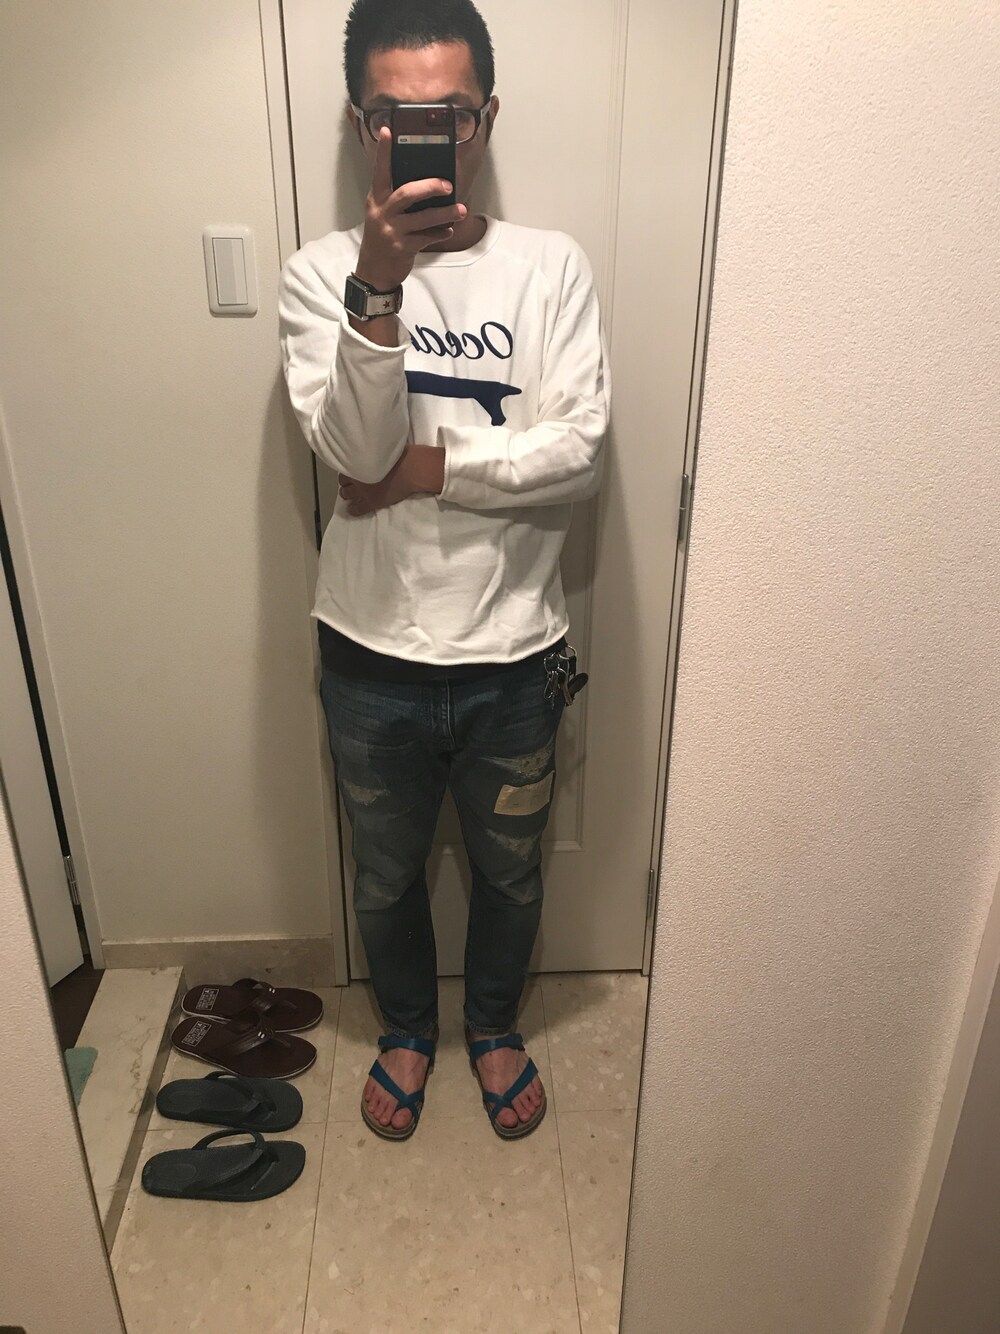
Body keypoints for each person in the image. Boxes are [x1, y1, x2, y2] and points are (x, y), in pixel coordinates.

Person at [278, 0, 608, 1141]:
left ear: (486, 118)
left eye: (448, 113)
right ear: (360, 124)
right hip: (370, 654)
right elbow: (352, 452)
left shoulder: (550, 267)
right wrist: (378, 286)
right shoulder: (320, 274)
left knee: (512, 874)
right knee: (384, 877)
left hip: (517, 654)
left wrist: (429, 467)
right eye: (393, 114)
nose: (422, 134)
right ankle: (411, 1028)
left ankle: (497, 1025)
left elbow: (579, 453)